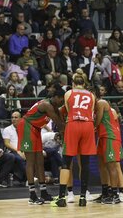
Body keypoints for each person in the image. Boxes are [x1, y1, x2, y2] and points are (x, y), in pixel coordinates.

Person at [52, 75, 96, 207]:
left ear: (73, 83)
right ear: (84, 83)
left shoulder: (68, 93)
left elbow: (67, 109)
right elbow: (91, 111)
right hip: (88, 125)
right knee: (85, 162)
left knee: (66, 162)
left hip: (73, 123)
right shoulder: (91, 95)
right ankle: (83, 197)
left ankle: (62, 197)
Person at [17, 89, 65, 204]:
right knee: (31, 161)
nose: (62, 102)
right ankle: (32, 195)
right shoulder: (47, 105)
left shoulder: (53, 106)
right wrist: (65, 136)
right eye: (61, 100)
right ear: (56, 97)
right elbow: (59, 123)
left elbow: (61, 120)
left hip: (36, 129)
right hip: (27, 126)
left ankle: (43, 192)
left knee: (40, 161)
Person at [94, 87, 123, 204]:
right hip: (102, 137)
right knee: (101, 165)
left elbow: (98, 121)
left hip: (110, 136)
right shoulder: (94, 107)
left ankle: (115, 194)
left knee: (112, 166)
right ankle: (105, 193)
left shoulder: (101, 102)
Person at [2, 111, 26, 184]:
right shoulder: (7, 129)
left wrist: (24, 151)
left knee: (33, 157)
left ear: (21, 119)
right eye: (12, 117)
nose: (13, 119)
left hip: (24, 149)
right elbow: (7, 143)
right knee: (20, 158)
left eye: (16, 117)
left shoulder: (25, 128)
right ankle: (30, 178)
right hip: (12, 151)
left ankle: (25, 178)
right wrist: (18, 151)